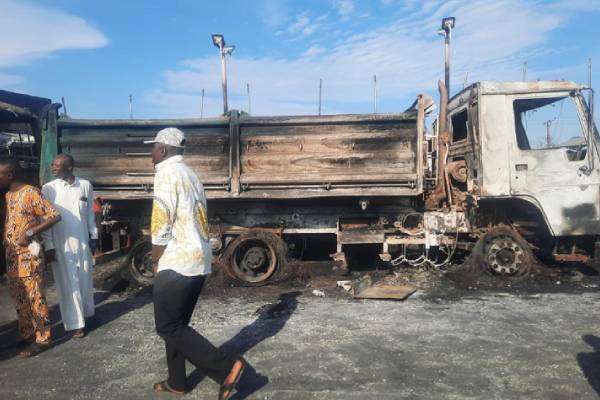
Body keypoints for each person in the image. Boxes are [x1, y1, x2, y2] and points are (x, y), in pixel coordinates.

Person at [146, 127, 244, 399]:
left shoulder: (166, 174)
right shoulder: (190, 174)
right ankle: (177, 382)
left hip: (177, 260)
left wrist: (155, 260)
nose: (150, 152)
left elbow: (161, 219)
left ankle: (226, 369)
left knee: (168, 326)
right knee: (177, 326)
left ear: (163, 150)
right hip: (197, 259)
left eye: (153, 147)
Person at [0, 158, 60, 357]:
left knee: (35, 296)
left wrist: (30, 232)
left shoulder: (30, 192)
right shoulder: (8, 195)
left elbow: (54, 215)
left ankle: (43, 338)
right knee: (19, 297)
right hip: (13, 258)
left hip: (29, 256)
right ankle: (26, 333)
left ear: (9, 175)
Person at [41, 154, 98, 338]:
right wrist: (49, 245)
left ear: (70, 167)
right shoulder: (49, 189)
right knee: (68, 285)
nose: (53, 168)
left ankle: (85, 315)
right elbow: (45, 219)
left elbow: (89, 213)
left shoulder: (85, 185)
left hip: (82, 243)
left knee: (83, 280)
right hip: (60, 245)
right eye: (53, 165)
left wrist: (94, 235)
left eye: (57, 165)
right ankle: (76, 324)